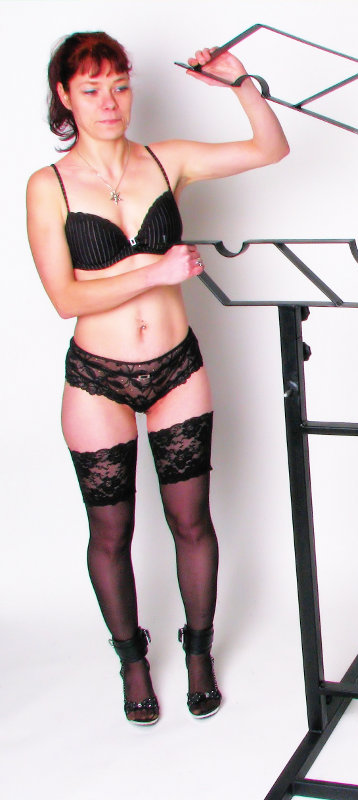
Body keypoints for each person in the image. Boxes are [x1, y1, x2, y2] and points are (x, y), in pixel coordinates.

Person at [26, 32, 289, 725]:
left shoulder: (165, 161)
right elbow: (65, 298)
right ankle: (132, 660)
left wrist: (239, 84)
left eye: (119, 85)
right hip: (98, 378)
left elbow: (270, 150)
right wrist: (157, 271)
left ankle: (198, 652)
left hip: (177, 366)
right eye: (91, 89)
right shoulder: (49, 186)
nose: (109, 102)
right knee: (110, 531)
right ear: (64, 97)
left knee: (191, 520)